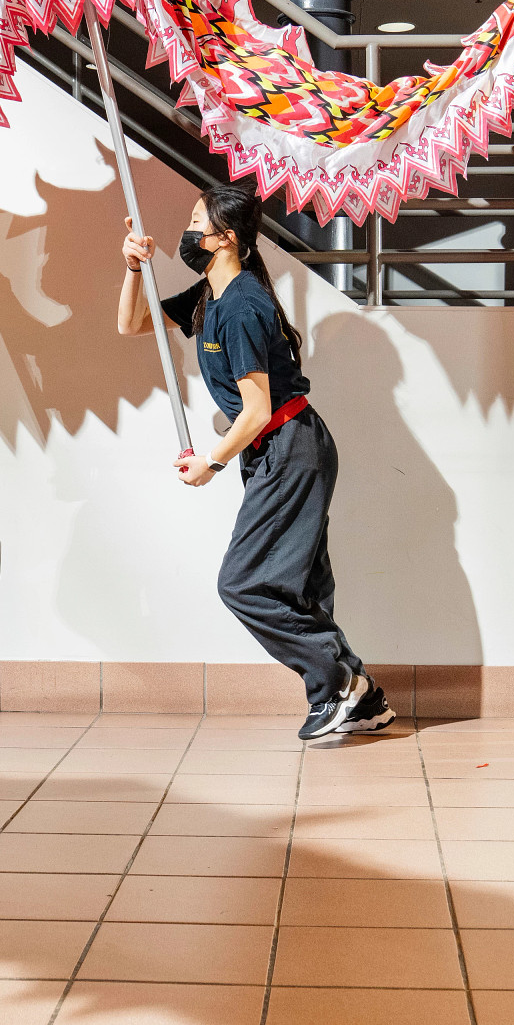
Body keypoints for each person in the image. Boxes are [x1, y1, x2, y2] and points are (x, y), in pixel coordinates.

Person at [116, 182, 392, 741]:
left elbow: (257, 409)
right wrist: (131, 269)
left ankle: (340, 685)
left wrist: (210, 464)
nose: (188, 232)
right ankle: (359, 697)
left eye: (197, 222)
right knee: (302, 589)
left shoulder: (243, 305)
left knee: (243, 584)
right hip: (282, 451)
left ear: (225, 238)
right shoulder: (210, 298)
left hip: (291, 447)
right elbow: (132, 324)